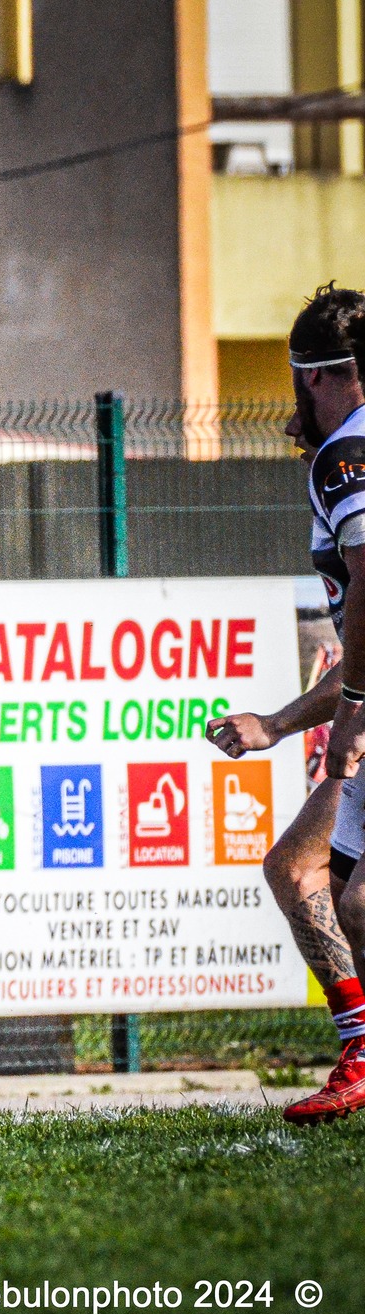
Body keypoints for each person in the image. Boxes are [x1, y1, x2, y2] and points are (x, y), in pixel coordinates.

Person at [237, 282, 365, 1125]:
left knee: (325, 885)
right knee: (318, 878)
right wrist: (279, 724)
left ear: (316, 377)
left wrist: (352, 706)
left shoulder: (347, 453)